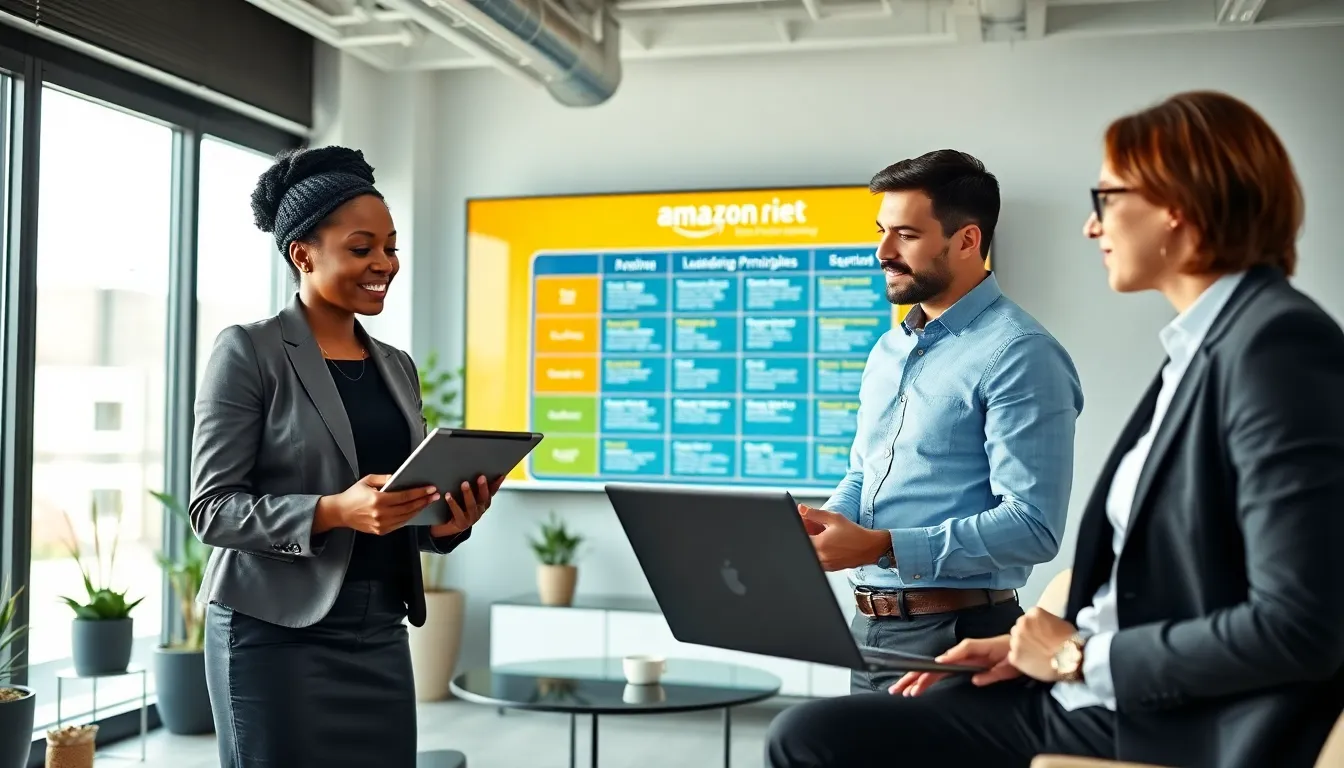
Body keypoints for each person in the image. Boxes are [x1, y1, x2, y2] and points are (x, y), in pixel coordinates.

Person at [766, 90, 1344, 768]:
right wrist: (1029, 649)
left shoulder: (1275, 347)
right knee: (817, 734)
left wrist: (1076, 656)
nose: (1090, 228)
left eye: (1106, 199)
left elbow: (1301, 626)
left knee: (810, 738)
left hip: (1138, 710)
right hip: (1050, 680)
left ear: (1178, 209)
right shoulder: (1199, 351)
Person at [189, 145, 500, 768]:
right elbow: (212, 511)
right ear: (302, 253)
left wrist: (445, 522)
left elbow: (393, 505)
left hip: (378, 628)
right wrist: (332, 511)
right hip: (272, 633)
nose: (384, 262)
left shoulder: (396, 366)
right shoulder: (248, 351)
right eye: (363, 249)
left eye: (390, 246)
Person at [799, 149, 1083, 693]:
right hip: (869, 632)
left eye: (905, 235)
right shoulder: (888, 350)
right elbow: (867, 473)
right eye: (881, 231)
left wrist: (882, 545)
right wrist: (827, 525)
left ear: (968, 241)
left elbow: (1033, 526)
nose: (882, 251)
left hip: (959, 635)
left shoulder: (1022, 354)